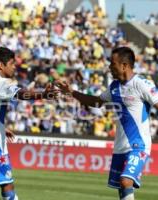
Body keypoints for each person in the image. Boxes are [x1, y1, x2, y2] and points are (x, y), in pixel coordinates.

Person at [0, 2, 59, 199]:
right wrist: (42, 95)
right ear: (1, 65)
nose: (14, 67)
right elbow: (21, 94)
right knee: (1, 186)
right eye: (12, 64)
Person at [56, 46, 158, 200]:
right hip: (120, 147)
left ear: (124, 65)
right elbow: (97, 102)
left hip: (139, 145)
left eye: (112, 64)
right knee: (122, 190)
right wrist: (71, 92)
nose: (109, 67)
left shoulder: (142, 84)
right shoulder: (114, 87)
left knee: (125, 181)